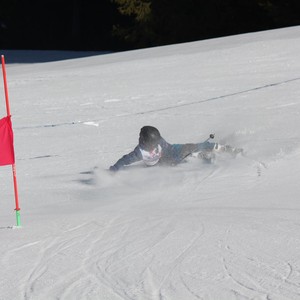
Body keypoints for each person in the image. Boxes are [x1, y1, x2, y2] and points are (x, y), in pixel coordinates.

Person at [109, 126, 240, 172]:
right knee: (183, 159)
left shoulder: (159, 141)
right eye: (153, 143)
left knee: (190, 147)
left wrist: (180, 151)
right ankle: (199, 157)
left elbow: (170, 149)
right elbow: (124, 160)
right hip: (162, 162)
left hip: (171, 151)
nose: (156, 143)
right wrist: (113, 170)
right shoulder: (139, 153)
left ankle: (221, 148)